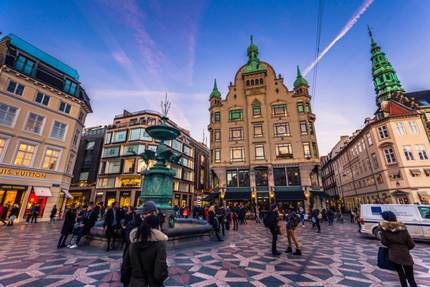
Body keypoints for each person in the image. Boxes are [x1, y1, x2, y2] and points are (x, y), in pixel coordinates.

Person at [121, 214, 168, 287]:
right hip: (153, 283)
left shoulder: (133, 244)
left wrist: (126, 281)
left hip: (135, 283)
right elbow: (160, 271)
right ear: (156, 227)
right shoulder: (159, 245)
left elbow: (125, 267)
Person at [379, 211, 417, 287]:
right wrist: (405, 248)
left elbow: (384, 242)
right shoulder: (402, 227)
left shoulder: (384, 229)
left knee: (401, 275)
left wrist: (392, 246)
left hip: (393, 255)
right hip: (405, 254)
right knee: (410, 277)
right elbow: (411, 244)